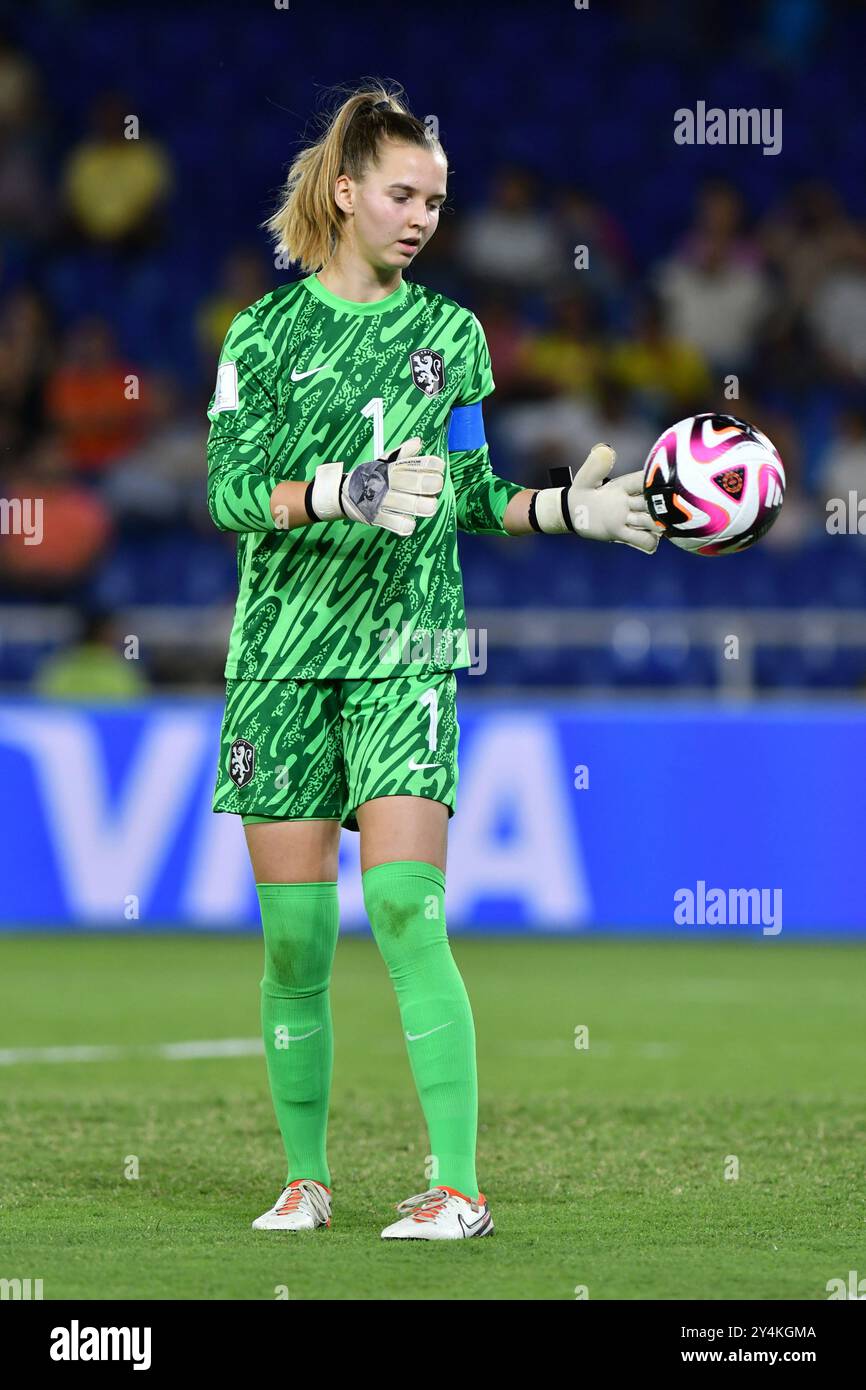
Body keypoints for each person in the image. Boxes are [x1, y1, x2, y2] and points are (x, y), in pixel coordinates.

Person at [206, 82, 658, 1242]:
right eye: (402, 195)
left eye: (437, 202)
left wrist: (564, 510)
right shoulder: (259, 335)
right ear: (345, 192)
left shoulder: (449, 335)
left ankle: (455, 1186)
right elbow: (225, 490)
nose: (421, 217)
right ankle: (305, 1180)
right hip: (279, 655)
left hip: (405, 642)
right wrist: (337, 492)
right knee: (296, 939)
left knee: (405, 904)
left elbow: (463, 487)